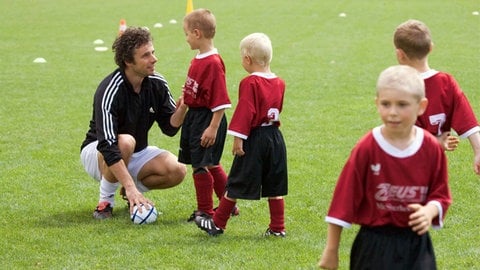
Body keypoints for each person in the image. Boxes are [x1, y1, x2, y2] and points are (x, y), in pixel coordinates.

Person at [318, 65, 452, 270]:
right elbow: (343, 199)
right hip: (374, 245)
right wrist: (331, 249)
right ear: (376, 103)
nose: (393, 113)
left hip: (416, 244)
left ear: (421, 106)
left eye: (402, 105)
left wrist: (428, 211)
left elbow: (440, 194)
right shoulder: (367, 147)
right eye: (386, 104)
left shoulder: (431, 148)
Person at [80, 27, 188, 219]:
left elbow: (170, 127)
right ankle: (105, 202)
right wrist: (130, 186)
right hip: (98, 152)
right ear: (128, 62)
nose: (154, 59)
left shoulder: (157, 83)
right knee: (126, 142)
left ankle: (129, 190)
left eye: (153, 52)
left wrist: (183, 107)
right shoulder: (110, 89)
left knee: (177, 170)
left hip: (135, 150)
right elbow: (108, 144)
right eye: (146, 55)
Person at [195, 32, 288, 237]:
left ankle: (218, 224)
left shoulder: (250, 83)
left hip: (255, 138)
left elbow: (245, 112)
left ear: (247, 59)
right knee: (275, 185)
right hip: (275, 138)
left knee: (236, 181)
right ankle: (278, 228)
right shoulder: (280, 82)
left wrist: (238, 140)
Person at [393, 19, 480, 175]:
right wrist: (478, 151)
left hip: (405, 169)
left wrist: (437, 143)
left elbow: (406, 136)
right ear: (431, 48)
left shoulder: (400, 87)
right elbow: (467, 119)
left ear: (399, 54)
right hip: (436, 167)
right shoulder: (446, 82)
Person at [179, 8, 239, 222]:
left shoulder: (213, 63)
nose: (186, 39)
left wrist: (213, 127)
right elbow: (196, 88)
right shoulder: (198, 59)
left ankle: (205, 210)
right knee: (210, 162)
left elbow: (220, 100)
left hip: (207, 119)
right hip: (195, 118)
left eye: (186, 34)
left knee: (201, 164)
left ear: (197, 33)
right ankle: (229, 205)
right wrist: (185, 97)